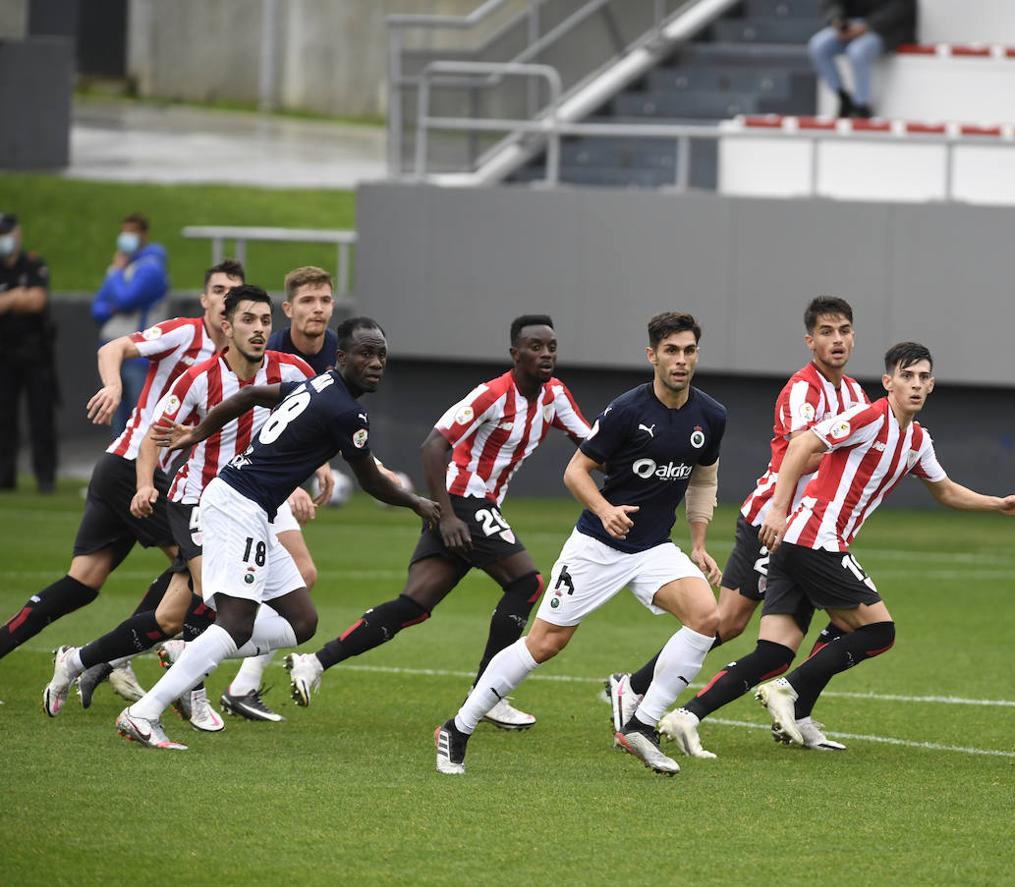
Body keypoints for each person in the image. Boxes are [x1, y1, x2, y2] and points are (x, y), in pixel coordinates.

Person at [660, 341, 1015, 758]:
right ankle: (791, 692)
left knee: (776, 651)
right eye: (906, 376)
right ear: (888, 382)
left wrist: (997, 503)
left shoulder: (916, 441)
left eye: (922, 377)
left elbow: (945, 491)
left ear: (932, 386)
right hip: (813, 540)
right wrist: (779, 510)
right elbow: (800, 447)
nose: (915, 384)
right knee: (879, 631)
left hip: (801, 546)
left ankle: (688, 717)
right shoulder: (870, 417)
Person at [115, 317, 439, 749]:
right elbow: (372, 483)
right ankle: (144, 712)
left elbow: (248, 395)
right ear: (341, 357)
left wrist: (198, 432)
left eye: (381, 353)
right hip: (238, 507)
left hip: (252, 508)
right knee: (234, 623)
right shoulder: (346, 410)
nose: (375, 362)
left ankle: (190, 651)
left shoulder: (319, 385)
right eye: (365, 353)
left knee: (300, 621)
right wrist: (418, 502)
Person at [435, 312, 726, 777]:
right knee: (546, 642)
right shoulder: (626, 411)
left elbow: (703, 479)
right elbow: (575, 471)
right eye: (671, 351)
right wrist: (605, 510)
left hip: (652, 549)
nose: (681, 360)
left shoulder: (711, 415)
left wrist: (698, 542)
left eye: (689, 350)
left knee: (708, 618)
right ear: (652, 356)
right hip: (597, 547)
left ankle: (641, 726)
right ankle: (458, 726)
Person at [284, 315, 590, 731]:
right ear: (515, 354)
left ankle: (315, 662)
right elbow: (433, 445)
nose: (546, 354)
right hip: (462, 499)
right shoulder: (491, 394)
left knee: (415, 605)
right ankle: (488, 693)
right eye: (535, 347)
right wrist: (446, 516)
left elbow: (592, 445)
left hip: (472, 508)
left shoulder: (554, 396)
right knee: (528, 582)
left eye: (551, 347)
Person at [42, 284, 321, 728]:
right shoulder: (198, 378)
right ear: (226, 326)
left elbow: (324, 415)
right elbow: (155, 434)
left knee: (172, 617)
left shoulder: (291, 370)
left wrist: (319, 470)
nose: (259, 329)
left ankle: (77, 660)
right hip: (194, 501)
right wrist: (143, 484)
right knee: (215, 597)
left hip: (247, 507)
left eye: (266, 321)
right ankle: (194, 692)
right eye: (248, 320)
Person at [609, 296, 868, 746]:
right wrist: (840, 454)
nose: (837, 339)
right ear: (810, 341)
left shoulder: (855, 395)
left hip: (814, 530)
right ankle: (635, 687)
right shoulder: (802, 390)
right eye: (827, 332)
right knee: (726, 622)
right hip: (774, 520)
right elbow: (796, 454)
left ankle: (798, 712)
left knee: (840, 623)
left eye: (844, 330)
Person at [0, 261, 243, 691]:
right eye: (218, 290)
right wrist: (113, 386)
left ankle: (99, 655)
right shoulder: (186, 334)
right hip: (131, 467)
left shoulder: (239, 359)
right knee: (194, 564)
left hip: (131, 472)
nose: (225, 300)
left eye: (233, 292)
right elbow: (111, 348)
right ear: (204, 299)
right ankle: (119, 657)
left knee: (83, 582)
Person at [92, 213, 170, 436]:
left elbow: (127, 299)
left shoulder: (151, 267)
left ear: (144, 234)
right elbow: (97, 308)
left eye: (132, 232)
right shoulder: (124, 266)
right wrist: (114, 305)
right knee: (117, 419)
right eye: (123, 231)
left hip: (139, 354)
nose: (126, 237)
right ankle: (120, 468)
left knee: (139, 421)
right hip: (113, 351)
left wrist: (116, 273)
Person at [0, 212, 58, 493]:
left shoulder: (33, 264)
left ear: (17, 234)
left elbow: (37, 301)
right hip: (4, 354)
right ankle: (4, 476)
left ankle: (45, 477)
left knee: (41, 417)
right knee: (4, 417)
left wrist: (8, 298)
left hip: (35, 353)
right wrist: (17, 297)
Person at [809, 0, 917, 119]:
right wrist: (837, 21)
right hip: (852, 25)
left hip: (887, 30)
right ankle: (844, 99)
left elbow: (899, 8)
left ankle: (862, 106)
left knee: (858, 51)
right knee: (818, 46)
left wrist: (866, 26)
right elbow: (830, 4)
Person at [266, 265, 338, 374]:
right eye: (307, 301)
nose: (318, 309)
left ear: (332, 307)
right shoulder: (269, 354)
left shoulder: (344, 354)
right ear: (288, 309)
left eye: (325, 300)